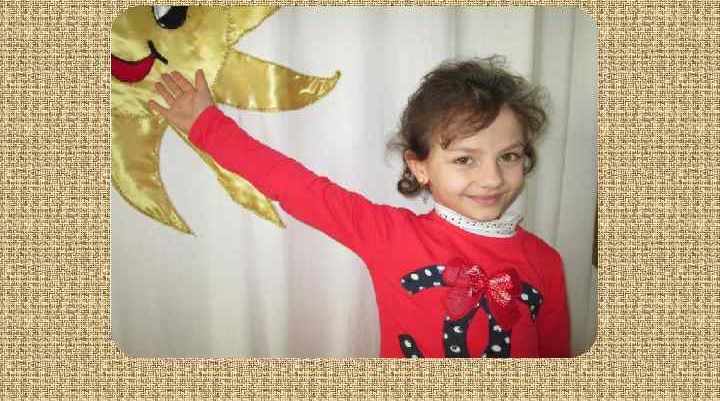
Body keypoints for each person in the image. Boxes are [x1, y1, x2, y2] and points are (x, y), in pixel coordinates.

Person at [147, 56, 571, 358]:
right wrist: (207, 126)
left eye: (509, 156)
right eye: (465, 159)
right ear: (419, 167)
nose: (492, 178)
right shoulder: (389, 235)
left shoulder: (546, 262)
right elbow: (294, 185)